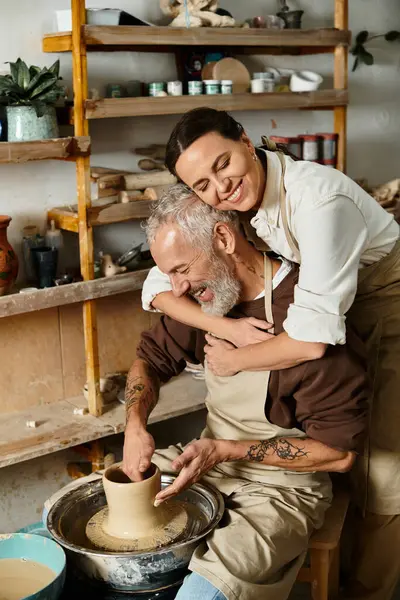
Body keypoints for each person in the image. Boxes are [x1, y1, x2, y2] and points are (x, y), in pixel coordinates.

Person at [140, 109, 400, 600]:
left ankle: (369, 590)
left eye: (223, 165)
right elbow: (159, 283)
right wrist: (224, 324)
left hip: (385, 300)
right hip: (316, 304)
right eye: (201, 185)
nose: (219, 188)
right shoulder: (228, 206)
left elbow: (311, 341)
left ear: (244, 138)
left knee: (383, 475)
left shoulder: (321, 199)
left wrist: (233, 357)